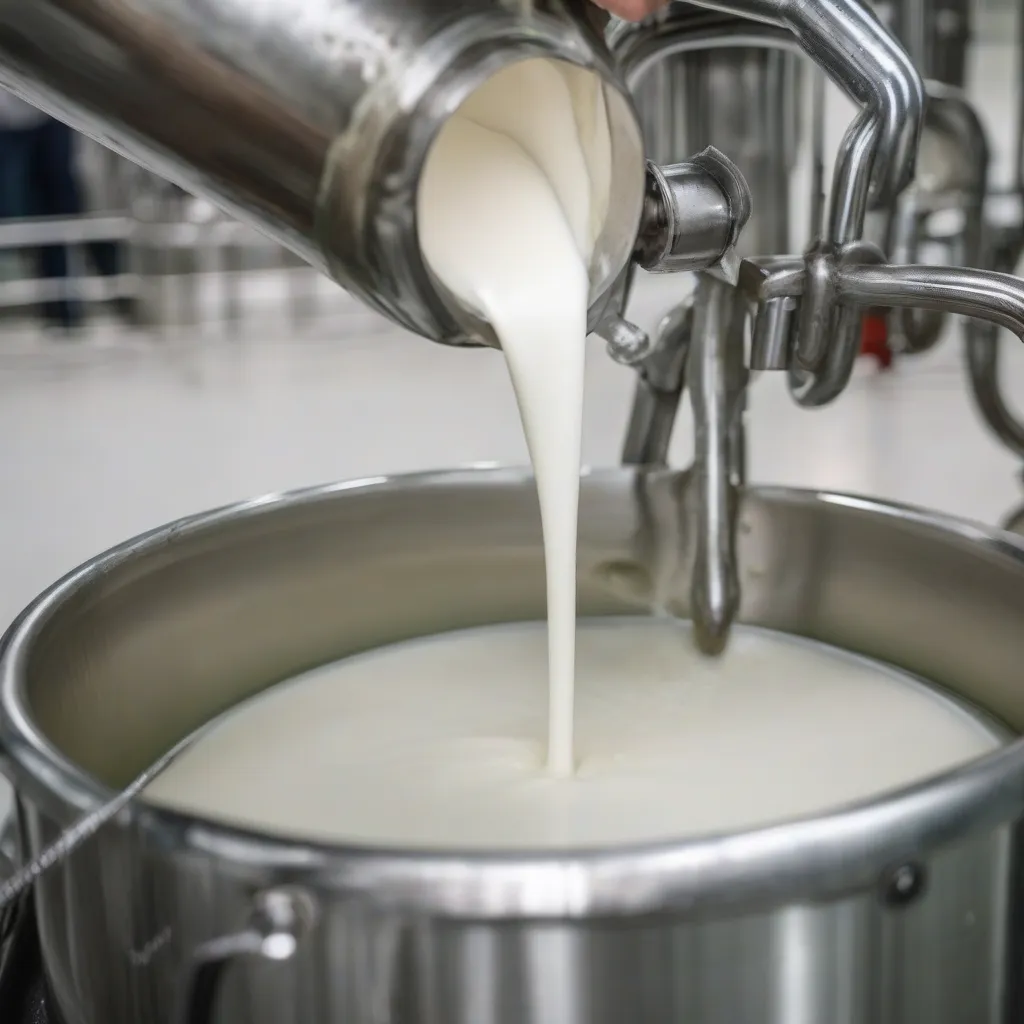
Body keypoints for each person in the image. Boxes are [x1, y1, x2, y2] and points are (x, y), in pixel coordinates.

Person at [0, 89, 127, 333]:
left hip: (49, 113)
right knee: (25, 216)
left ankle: (68, 311)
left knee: (65, 212)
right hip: (11, 123)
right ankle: (63, 310)